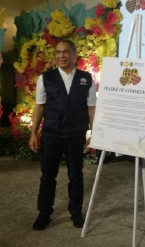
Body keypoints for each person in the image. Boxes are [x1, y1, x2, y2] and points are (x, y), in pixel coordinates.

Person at [29, 39, 96, 230]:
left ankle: (76, 212)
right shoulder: (46, 78)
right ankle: (44, 213)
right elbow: (39, 106)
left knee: (76, 175)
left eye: (65, 52)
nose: (61, 56)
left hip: (76, 134)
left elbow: (92, 108)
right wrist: (33, 133)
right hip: (51, 134)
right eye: (58, 52)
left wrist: (95, 134)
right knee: (48, 176)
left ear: (74, 55)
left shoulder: (86, 78)